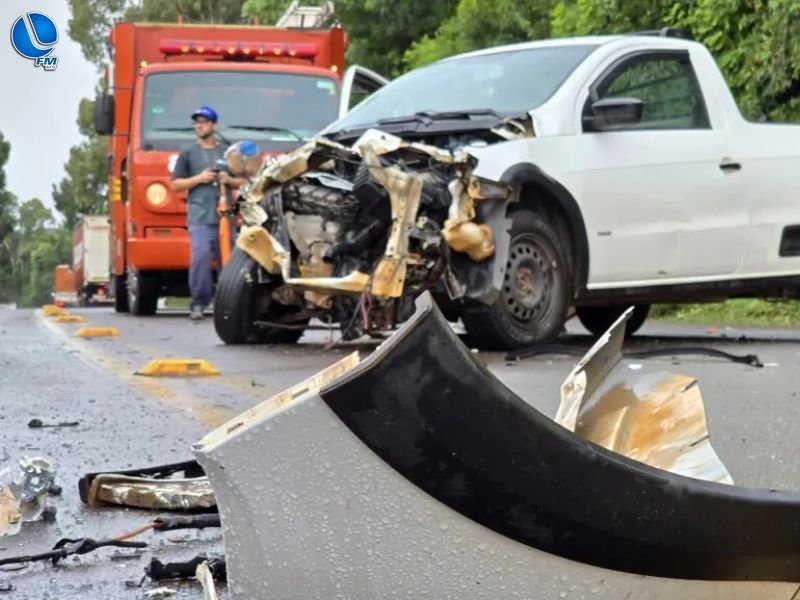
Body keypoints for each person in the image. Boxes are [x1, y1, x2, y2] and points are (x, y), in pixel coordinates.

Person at [170, 106, 245, 320]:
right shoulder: (188, 153)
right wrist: (199, 179)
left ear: (213, 125)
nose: (199, 125)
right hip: (199, 216)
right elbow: (175, 184)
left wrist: (229, 181)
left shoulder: (229, 152)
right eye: (196, 122)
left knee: (228, 260)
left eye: (203, 121)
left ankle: (227, 304)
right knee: (200, 257)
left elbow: (246, 180)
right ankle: (199, 303)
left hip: (226, 215)